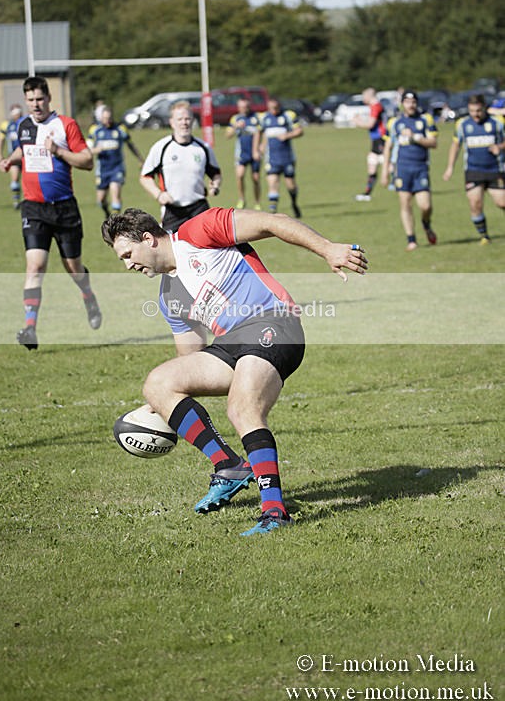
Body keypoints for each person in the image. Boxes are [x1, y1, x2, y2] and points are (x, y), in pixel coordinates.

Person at [102, 206, 368, 536]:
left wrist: (327, 248)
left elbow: (273, 222)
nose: (128, 265)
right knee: (159, 382)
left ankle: (275, 512)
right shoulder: (169, 296)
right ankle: (228, 466)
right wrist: (161, 406)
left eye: (128, 254)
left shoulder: (199, 232)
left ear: (148, 239)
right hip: (232, 343)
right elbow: (189, 358)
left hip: (274, 322)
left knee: (242, 409)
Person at [0, 75, 102, 350]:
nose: (35, 104)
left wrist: (58, 150)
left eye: (39, 99)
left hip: (65, 208)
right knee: (35, 266)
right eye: (30, 100)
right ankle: (29, 328)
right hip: (33, 207)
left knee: (74, 269)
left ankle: (88, 295)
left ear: (49, 98)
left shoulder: (65, 125)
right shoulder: (24, 125)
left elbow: (87, 161)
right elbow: (25, 148)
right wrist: (11, 159)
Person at [139, 100, 222, 232]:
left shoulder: (203, 148)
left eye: (187, 118)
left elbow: (216, 174)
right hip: (173, 210)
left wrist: (215, 185)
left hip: (199, 208)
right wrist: (159, 195)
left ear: (192, 120)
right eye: (180, 119)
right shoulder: (161, 147)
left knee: (208, 249)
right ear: (172, 122)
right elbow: (145, 177)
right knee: (173, 251)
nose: (184, 122)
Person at [442, 93, 505, 244]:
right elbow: (455, 145)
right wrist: (450, 167)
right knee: (475, 204)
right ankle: (484, 236)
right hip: (473, 170)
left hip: (495, 169)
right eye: (472, 111)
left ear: (485, 108)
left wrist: (499, 147)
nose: (475, 114)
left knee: (502, 202)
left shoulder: (497, 122)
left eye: (478, 111)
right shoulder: (462, 124)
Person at [380, 90, 438, 251]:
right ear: (402, 104)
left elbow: (434, 143)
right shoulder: (394, 122)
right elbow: (387, 147)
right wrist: (384, 171)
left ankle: (426, 224)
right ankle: (411, 239)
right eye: (407, 102)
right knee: (405, 204)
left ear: (417, 103)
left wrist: (416, 138)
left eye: (413, 102)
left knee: (425, 206)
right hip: (402, 168)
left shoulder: (425, 119)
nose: (410, 105)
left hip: (420, 168)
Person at [87, 106, 144, 218]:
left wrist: (140, 159)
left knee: (115, 192)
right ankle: (107, 212)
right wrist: (95, 150)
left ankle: (115, 221)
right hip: (102, 170)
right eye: (105, 118)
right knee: (101, 199)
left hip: (117, 168)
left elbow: (131, 145)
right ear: (101, 118)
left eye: (109, 118)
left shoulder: (120, 129)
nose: (107, 120)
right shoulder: (95, 130)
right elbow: (87, 149)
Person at [259, 97, 303, 217]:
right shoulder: (264, 118)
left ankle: (294, 203)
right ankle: (273, 211)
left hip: (287, 157)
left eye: (276, 108)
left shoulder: (288, 116)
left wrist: (287, 135)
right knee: (273, 183)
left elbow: (299, 131)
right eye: (271, 108)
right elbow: (262, 134)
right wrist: (261, 147)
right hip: (271, 158)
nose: (274, 110)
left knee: (291, 185)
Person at [225, 97, 262, 210]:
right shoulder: (235, 118)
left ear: (249, 106)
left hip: (254, 153)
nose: (243, 109)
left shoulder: (256, 118)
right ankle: (242, 199)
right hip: (241, 153)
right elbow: (227, 135)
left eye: (245, 107)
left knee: (255, 178)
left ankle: (257, 202)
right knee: (240, 175)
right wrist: (236, 126)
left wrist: (259, 149)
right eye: (241, 107)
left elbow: (261, 133)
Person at [354, 87, 387, 201]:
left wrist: (357, 122)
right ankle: (367, 193)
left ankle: (404, 186)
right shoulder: (374, 106)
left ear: (369, 96)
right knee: (372, 163)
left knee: (388, 165)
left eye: (364, 96)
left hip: (380, 139)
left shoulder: (375, 106)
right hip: (376, 139)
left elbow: (370, 124)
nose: (363, 98)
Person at [0, 104, 24, 209]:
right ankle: (16, 201)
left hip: (27, 157)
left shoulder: (26, 122)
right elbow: (0, 140)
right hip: (13, 158)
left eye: (19, 112)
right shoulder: (6, 125)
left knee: (28, 180)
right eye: (15, 113)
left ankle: (29, 200)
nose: (17, 114)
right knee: (15, 177)